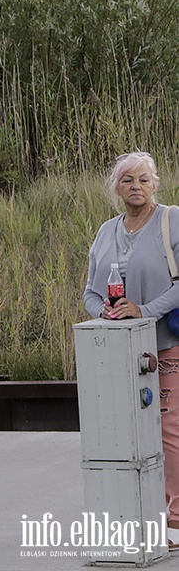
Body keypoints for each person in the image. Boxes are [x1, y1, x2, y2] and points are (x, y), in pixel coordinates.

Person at [82, 151, 179, 546]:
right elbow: (90, 292)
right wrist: (104, 312)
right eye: (127, 180)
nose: (135, 186)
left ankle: (175, 518)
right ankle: (139, 514)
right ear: (116, 188)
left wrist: (144, 312)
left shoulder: (172, 220)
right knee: (126, 435)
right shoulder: (106, 231)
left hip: (165, 346)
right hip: (119, 353)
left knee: (168, 431)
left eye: (143, 179)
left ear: (155, 183)